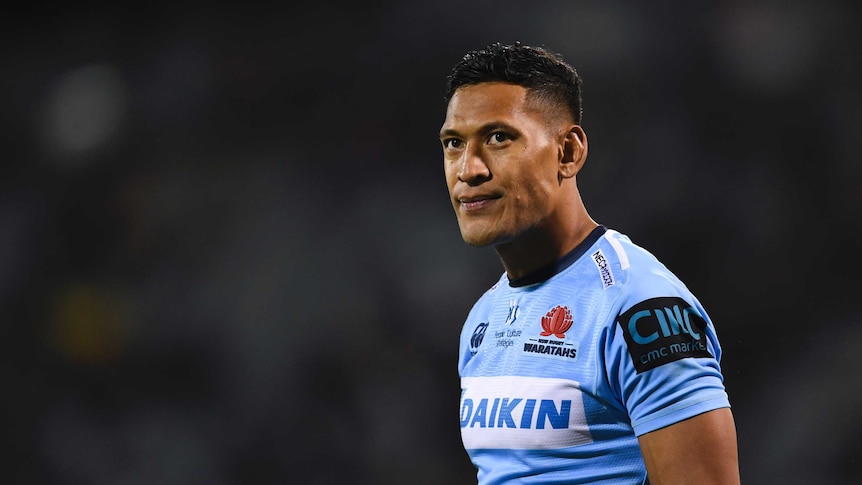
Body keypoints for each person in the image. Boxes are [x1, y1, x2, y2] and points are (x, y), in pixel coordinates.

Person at [440, 42, 740, 484]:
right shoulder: (483, 319)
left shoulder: (642, 311)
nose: (469, 169)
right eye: (453, 143)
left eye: (499, 138)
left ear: (568, 152)